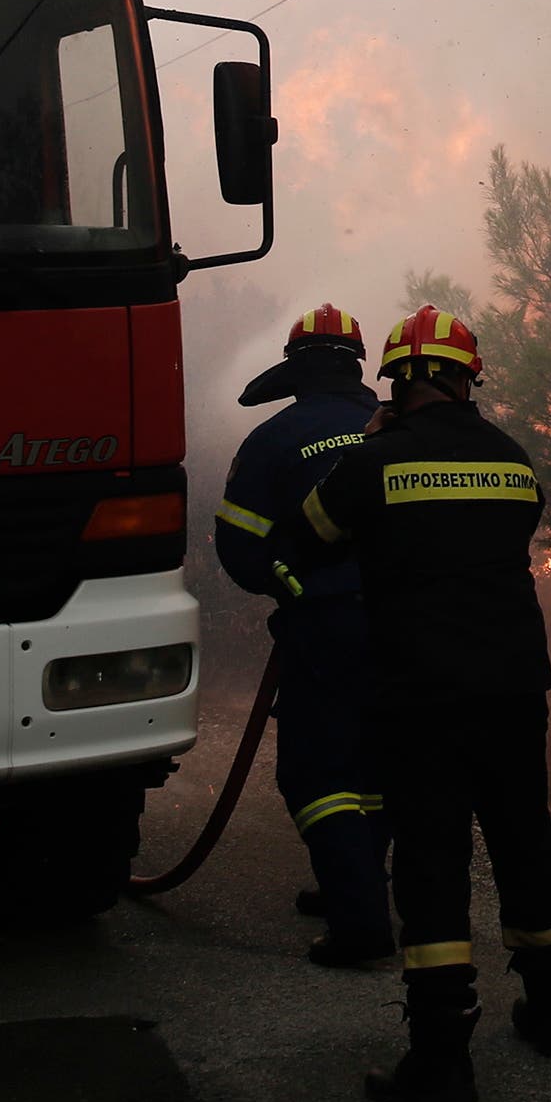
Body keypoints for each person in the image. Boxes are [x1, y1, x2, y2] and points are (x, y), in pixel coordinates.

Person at [278, 304, 551, 1102]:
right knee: (524, 841)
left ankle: (442, 1063)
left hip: (421, 694)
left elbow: (305, 536)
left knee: (433, 863)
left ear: (399, 380)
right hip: (515, 688)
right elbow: (517, 524)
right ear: (465, 378)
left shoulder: (376, 461)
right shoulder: (513, 461)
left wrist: (372, 448)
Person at [213, 303, 395, 968]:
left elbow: (236, 546)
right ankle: (356, 881)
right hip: (407, 624)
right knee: (375, 767)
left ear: (296, 367)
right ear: (356, 364)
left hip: (324, 626)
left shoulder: (273, 437)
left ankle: (360, 919)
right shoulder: (394, 430)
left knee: (316, 774)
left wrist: (287, 584)